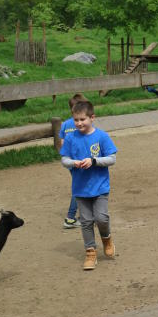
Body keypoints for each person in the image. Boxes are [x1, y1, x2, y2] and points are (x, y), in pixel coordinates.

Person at [59, 100, 118, 270]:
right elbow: (64, 159)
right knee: (85, 221)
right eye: (76, 120)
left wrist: (94, 161)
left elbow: (112, 159)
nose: (79, 123)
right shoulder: (70, 138)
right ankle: (90, 253)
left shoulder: (102, 136)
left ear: (92, 118)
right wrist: (73, 163)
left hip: (100, 187)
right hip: (80, 189)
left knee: (101, 218)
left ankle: (106, 238)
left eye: (82, 119)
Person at [58, 93, 88, 229]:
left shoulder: (65, 124)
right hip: (80, 161)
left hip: (70, 162)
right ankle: (70, 218)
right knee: (79, 188)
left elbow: (62, 144)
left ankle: (84, 215)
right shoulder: (83, 122)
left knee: (82, 186)